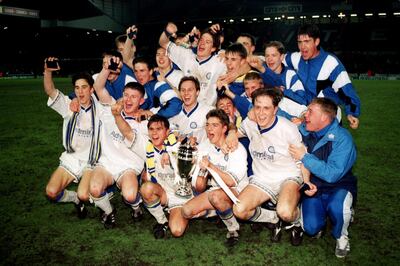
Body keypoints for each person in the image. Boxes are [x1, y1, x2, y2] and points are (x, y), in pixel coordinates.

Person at [231, 88, 304, 246]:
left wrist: (307, 181)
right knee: (239, 210)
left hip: (288, 176)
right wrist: (231, 132)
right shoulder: (250, 123)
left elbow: (302, 157)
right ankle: (273, 218)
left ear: (275, 110)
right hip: (262, 179)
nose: (261, 113)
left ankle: (298, 221)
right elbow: (237, 132)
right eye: (257, 107)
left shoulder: (288, 128)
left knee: (285, 211)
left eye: (266, 108)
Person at [288, 98, 357, 258]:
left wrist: (305, 157)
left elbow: (333, 174)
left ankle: (342, 236)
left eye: (311, 111)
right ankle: (322, 218)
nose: (306, 114)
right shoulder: (305, 129)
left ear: (324, 118)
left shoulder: (343, 138)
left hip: (339, 185)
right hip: (314, 186)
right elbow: (276, 113)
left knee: (337, 207)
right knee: (311, 228)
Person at [112, 113, 190, 239]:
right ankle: (162, 221)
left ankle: (184, 213)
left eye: (159, 129)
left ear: (167, 131)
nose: (154, 133)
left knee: (176, 230)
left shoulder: (178, 146)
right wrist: (116, 115)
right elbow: (127, 132)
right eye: (151, 129)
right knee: (146, 188)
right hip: (164, 193)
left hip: (181, 195)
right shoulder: (147, 145)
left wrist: (170, 153)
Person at [89, 66, 147, 228]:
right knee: (94, 189)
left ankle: (136, 208)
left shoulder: (145, 122)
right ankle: (109, 211)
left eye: (134, 97)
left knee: (129, 195)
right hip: (107, 163)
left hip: (128, 166)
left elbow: (128, 132)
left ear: (141, 101)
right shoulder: (111, 108)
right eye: (126, 95)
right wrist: (107, 68)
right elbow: (99, 87)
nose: (128, 100)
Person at [182, 109, 248, 247]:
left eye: (214, 125)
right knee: (186, 211)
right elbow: (194, 164)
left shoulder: (236, 148)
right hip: (215, 190)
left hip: (238, 191)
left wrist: (210, 166)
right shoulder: (205, 145)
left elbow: (231, 181)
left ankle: (233, 228)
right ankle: (221, 212)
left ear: (225, 128)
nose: (209, 129)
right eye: (207, 125)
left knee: (215, 197)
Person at [43, 57, 98, 219]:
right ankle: (75, 200)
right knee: (51, 192)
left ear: (92, 90)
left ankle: (105, 205)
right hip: (72, 158)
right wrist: (47, 72)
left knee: (85, 194)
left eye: (84, 87)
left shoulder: (101, 109)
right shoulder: (69, 105)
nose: (80, 92)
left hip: (91, 160)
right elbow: (50, 91)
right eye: (77, 88)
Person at [284, 24, 361, 129]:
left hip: (328, 118)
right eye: (300, 42)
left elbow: (347, 91)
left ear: (316, 42)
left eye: (307, 41)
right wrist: (257, 60)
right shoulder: (296, 58)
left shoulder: (330, 63)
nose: (302, 47)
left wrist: (352, 113)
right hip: (307, 115)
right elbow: (276, 59)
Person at [159, 22, 226, 106]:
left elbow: (245, 63)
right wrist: (167, 32)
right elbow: (163, 43)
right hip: (186, 109)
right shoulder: (187, 56)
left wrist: (225, 52)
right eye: (201, 40)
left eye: (207, 42)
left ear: (213, 48)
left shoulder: (220, 61)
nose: (202, 43)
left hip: (208, 113)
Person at [248, 41, 308, 120]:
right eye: (267, 56)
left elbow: (302, 100)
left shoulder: (290, 75)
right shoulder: (260, 73)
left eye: (273, 55)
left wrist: (284, 91)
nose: (270, 59)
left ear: (281, 57)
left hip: (290, 117)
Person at [169, 76, 213, 144]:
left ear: (197, 92)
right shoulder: (172, 112)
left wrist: (232, 132)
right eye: (183, 90)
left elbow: (226, 124)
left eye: (190, 90)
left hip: (201, 152)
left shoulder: (209, 111)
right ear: (180, 93)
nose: (186, 93)